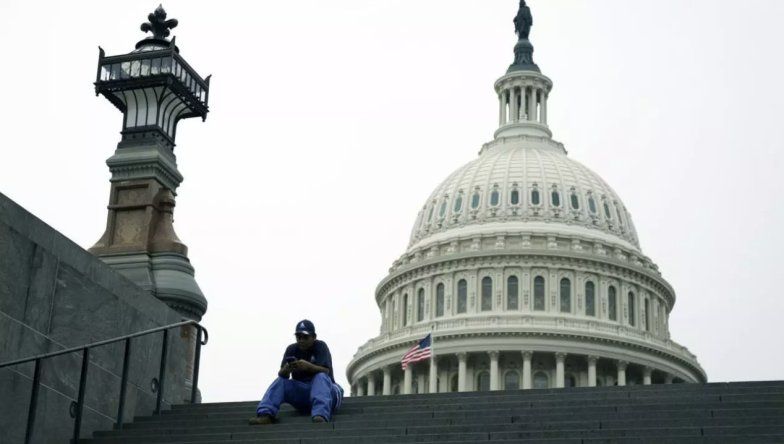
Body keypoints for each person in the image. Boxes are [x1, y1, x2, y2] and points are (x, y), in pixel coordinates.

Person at [249, 320, 343, 424]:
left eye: (305, 337)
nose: (301, 340)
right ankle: (266, 414)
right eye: (298, 337)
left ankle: (320, 415)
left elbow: (326, 371)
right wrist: (286, 369)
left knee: (320, 377)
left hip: (327, 394)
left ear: (314, 336)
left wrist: (308, 366)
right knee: (281, 381)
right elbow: (282, 375)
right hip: (304, 394)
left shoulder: (320, 346)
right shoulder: (291, 349)